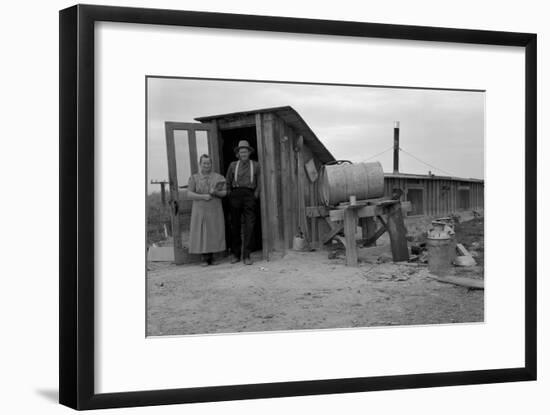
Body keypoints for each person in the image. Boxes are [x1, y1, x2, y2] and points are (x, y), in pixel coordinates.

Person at [186, 154, 227, 266]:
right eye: (204, 163)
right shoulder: (194, 178)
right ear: (200, 164)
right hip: (200, 210)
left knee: (214, 231)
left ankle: (213, 257)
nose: (206, 165)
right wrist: (203, 196)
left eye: (208, 163)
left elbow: (224, 193)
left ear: (211, 164)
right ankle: (204, 258)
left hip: (215, 209)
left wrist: (216, 192)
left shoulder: (219, 177)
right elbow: (189, 194)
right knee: (202, 232)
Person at [225, 140, 261, 265]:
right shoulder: (233, 165)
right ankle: (236, 254)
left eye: (245, 151)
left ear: (249, 152)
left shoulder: (255, 165)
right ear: (238, 153)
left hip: (249, 195)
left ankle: (247, 255)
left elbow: (260, 181)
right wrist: (230, 193)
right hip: (235, 195)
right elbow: (228, 181)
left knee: (250, 225)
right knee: (235, 225)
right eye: (241, 151)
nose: (243, 153)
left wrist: (255, 194)